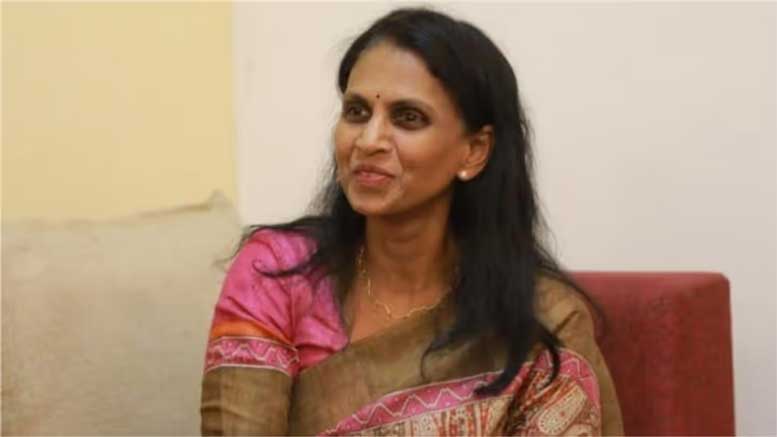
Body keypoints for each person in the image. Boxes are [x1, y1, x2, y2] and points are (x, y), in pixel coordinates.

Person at [200, 7, 623, 436]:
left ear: (474, 151)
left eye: (408, 118)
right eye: (357, 112)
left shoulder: (543, 320)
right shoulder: (277, 274)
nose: (369, 141)